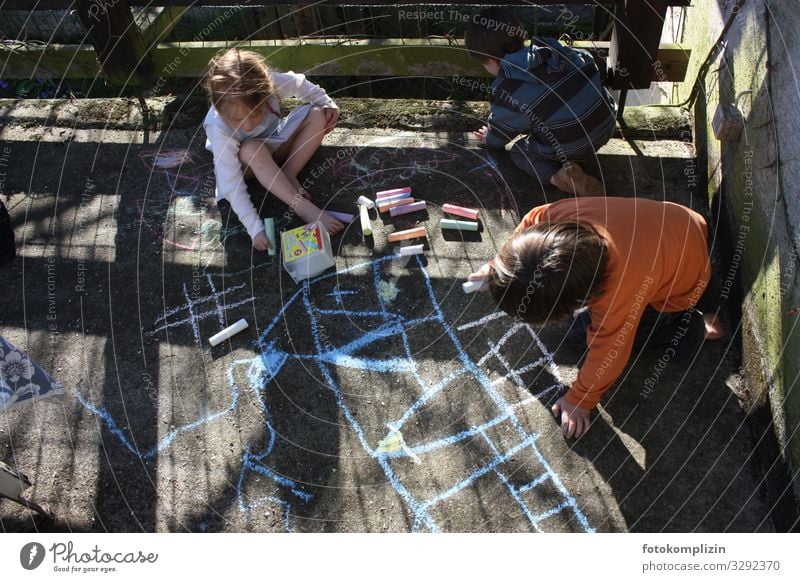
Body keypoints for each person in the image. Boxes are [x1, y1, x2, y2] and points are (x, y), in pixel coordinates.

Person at [469, 197, 726, 438]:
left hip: (685, 283)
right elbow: (530, 222)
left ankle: (692, 325)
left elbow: (612, 349)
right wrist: (497, 267)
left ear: (582, 297)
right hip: (685, 222)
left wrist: (580, 400)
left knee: (582, 333)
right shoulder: (554, 219)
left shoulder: (619, 288)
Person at [465, 7, 616, 197]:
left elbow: (502, 132)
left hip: (575, 146)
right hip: (606, 124)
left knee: (520, 150)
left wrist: (490, 138)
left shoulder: (508, 87)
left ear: (491, 60)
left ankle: (560, 177)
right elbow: (586, 60)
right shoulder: (552, 49)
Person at [203, 49, 343, 251]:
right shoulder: (218, 127)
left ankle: (288, 172)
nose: (248, 125)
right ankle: (303, 208)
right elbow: (230, 183)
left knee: (317, 114)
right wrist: (255, 228)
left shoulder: (269, 85)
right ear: (219, 107)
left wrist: (326, 102)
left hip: (272, 146)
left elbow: (298, 83)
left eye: (256, 114)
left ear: (266, 92)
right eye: (237, 119)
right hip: (245, 167)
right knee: (252, 147)